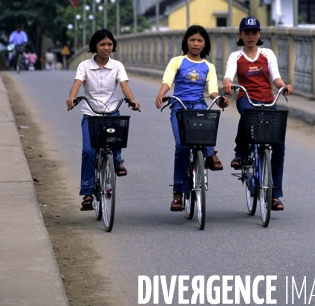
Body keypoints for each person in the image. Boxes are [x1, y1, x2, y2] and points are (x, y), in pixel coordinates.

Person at [223, 17, 293, 212]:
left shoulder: (267, 54)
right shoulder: (235, 57)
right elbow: (229, 75)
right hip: (246, 98)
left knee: (278, 144)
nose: (251, 36)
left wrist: (283, 86)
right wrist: (228, 83)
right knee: (247, 114)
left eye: (254, 33)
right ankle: (240, 152)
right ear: (240, 35)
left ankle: (275, 194)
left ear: (259, 34)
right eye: (247, 33)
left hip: (268, 99)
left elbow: (275, 77)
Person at [155, 25, 228, 212]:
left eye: (200, 40)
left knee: (206, 131)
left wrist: (218, 99)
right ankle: (178, 193)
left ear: (205, 44)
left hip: (199, 106)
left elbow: (212, 90)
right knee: (182, 146)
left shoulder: (208, 67)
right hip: (179, 105)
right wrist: (161, 94)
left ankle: (210, 154)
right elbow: (167, 81)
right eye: (192, 40)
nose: (196, 44)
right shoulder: (177, 61)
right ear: (186, 41)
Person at [66, 29, 140, 211]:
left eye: (109, 44)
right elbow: (77, 83)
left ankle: (117, 160)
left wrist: (132, 100)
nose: (106, 48)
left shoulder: (117, 66)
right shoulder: (84, 66)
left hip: (111, 110)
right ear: (95, 47)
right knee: (88, 151)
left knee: (118, 135)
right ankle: (88, 193)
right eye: (102, 44)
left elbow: (124, 86)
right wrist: (72, 98)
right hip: (91, 113)